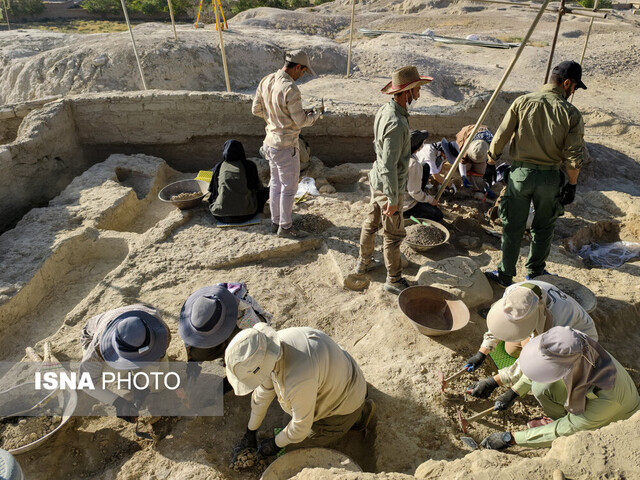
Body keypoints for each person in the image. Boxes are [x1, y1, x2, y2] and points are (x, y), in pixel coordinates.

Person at [485, 61, 586, 288]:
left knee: (512, 226)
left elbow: (501, 135)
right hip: (549, 178)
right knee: (543, 228)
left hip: (520, 175)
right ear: (567, 83)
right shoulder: (571, 113)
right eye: (575, 87)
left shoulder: (523, 102)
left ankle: (504, 275)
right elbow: (573, 154)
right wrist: (572, 184)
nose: (573, 92)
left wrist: (491, 162)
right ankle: (535, 274)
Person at [227, 324, 375, 460]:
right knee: (286, 424)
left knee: (294, 446)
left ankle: (358, 416)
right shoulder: (270, 348)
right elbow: (264, 392)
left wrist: (275, 445)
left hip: (346, 398)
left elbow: (300, 427)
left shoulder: (298, 377)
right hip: (336, 373)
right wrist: (250, 431)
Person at [481, 326, 640, 450]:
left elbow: (568, 427)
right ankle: (556, 418)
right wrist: (514, 392)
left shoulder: (609, 398)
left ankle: (551, 430)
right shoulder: (574, 342)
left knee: (569, 431)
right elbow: (543, 364)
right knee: (541, 386)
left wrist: (511, 438)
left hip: (609, 421)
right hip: (587, 388)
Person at [353, 65, 433, 295]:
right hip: (389, 185)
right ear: (407, 92)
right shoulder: (398, 124)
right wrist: (393, 198)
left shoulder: (385, 111)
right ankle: (394, 279)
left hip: (377, 179)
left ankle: (363, 262)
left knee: (370, 224)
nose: (419, 92)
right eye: (416, 88)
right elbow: (389, 164)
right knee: (393, 235)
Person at [464, 281, 598, 409]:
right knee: (510, 349)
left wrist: (496, 383)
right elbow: (501, 323)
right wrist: (481, 353)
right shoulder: (516, 292)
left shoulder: (555, 326)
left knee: (549, 378)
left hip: (577, 341)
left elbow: (536, 364)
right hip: (541, 324)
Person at [252, 50, 322, 239]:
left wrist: (275, 118)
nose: (302, 76)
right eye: (303, 72)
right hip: (285, 145)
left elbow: (256, 109)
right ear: (297, 67)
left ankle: (276, 222)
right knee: (289, 189)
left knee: (275, 184)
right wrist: (315, 116)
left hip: (270, 142)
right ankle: (286, 226)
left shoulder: (266, 80)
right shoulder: (290, 88)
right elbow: (300, 121)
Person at [79, 304, 171, 423]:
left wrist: (144, 387)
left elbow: (157, 357)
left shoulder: (160, 330)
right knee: (108, 374)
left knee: (158, 386)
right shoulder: (97, 350)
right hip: (94, 334)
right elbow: (86, 382)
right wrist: (118, 402)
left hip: (134, 322)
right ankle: (123, 376)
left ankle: (132, 374)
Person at [177, 283, 272, 395]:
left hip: (243, 327)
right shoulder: (195, 312)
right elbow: (189, 341)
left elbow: (260, 340)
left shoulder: (244, 315)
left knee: (242, 353)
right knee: (198, 351)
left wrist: (231, 379)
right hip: (221, 327)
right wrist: (192, 362)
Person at [208, 140, 269, 224]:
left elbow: (212, 189)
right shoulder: (249, 165)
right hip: (247, 214)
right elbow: (257, 187)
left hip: (220, 215)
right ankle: (259, 211)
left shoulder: (219, 166)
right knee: (266, 191)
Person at [402, 130, 443, 222]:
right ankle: (410, 218)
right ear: (418, 145)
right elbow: (414, 192)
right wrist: (430, 200)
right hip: (404, 206)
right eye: (423, 142)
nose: (423, 145)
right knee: (438, 215)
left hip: (397, 197)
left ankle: (419, 202)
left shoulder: (400, 154)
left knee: (425, 167)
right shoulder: (413, 164)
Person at [455, 123, 494, 191]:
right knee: (466, 168)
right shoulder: (465, 146)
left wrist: (488, 183)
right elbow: (462, 162)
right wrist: (463, 176)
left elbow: (491, 163)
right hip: (467, 135)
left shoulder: (492, 144)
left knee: (481, 171)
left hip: (482, 146)